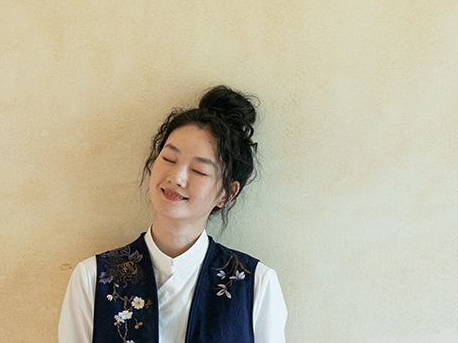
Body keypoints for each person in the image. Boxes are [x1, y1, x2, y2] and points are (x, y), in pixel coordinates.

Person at [57, 86, 288, 343]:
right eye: (169, 159)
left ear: (227, 193)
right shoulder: (93, 278)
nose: (176, 177)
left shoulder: (256, 285)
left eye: (199, 171)